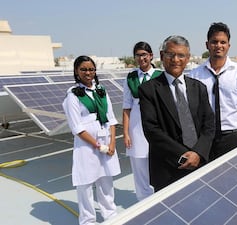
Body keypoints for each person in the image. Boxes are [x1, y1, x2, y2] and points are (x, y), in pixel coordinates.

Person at [138, 35, 215, 191]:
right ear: (162, 56)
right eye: (170, 54)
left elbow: (209, 125)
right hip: (167, 168)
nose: (175, 59)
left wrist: (198, 153)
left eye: (181, 55)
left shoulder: (199, 88)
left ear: (187, 58)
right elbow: (151, 129)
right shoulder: (148, 89)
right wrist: (184, 156)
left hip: (198, 164)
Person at [62, 55, 121, 225]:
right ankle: (88, 220)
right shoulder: (73, 96)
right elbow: (77, 128)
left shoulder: (102, 90)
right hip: (86, 146)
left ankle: (111, 215)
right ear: (76, 71)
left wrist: (111, 144)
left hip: (106, 141)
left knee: (106, 180)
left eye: (91, 69)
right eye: (84, 69)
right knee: (86, 182)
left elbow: (110, 119)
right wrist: (98, 145)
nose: (88, 73)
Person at [189, 22, 237, 161]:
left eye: (223, 42)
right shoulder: (194, 75)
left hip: (231, 136)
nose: (218, 46)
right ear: (207, 45)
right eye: (214, 42)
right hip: (204, 138)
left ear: (228, 46)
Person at [122, 41, 162, 201]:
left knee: (157, 166)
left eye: (144, 54)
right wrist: (125, 133)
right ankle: (143, 203)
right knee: (139, 169)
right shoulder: (131, 78)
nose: (141, 58)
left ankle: (158, 200)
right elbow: (127, 106)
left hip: (157, 126)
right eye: (138, 55)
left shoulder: (160, 75)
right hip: (136, 128)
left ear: (151, 56)